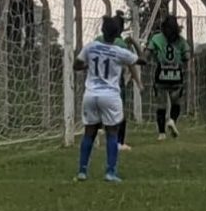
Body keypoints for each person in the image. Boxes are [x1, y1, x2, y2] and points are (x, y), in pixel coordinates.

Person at [74, 16, 145, 182]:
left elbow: (76, 65)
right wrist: (135, 43)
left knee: (89, 132)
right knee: (112, 133)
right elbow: (143, 60)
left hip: (91, 94)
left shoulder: (91, 47)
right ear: (118, 34)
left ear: (102, 31)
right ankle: (110, 172)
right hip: (111, 95)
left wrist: (89, 66)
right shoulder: (119, 51)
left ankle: (82, 171)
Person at [94, 11, 140, 151]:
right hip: (115, 81)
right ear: (119, 29)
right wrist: (137, 80)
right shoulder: (120, 43)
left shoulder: (97, 40)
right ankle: (119, 142)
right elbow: (130, 62)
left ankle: (97, 129)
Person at [146, 15, 192, 141]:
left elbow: (147, 53)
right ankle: (172, 120)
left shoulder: (156, 38)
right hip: (176, 74)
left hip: (161, 73)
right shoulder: (181, 40)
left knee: (161, 104)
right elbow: (187, 56)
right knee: (175, 102)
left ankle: (161, 133)